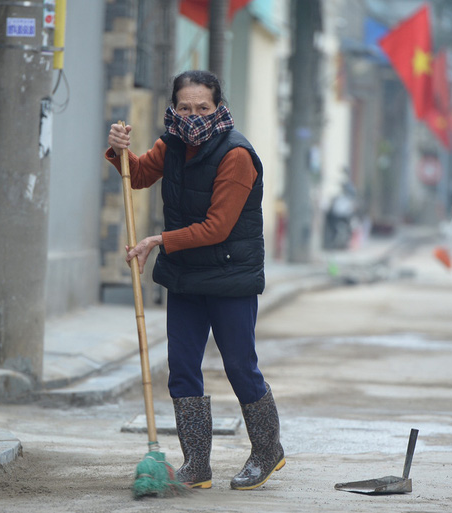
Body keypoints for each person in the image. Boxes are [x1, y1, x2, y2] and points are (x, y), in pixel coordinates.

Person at [105, 70, 285, 490]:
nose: (193, 115)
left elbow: (218, 226)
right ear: (174, 107)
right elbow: (140, 173)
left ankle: (266, 451)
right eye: (184, 107)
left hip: (230, 278)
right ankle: (197, 465)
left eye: (202, 107)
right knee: (183, 369)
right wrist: (118, 152)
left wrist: (157, 240)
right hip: (186, 277)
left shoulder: (236, 155)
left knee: (240, 365)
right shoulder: (170, 145)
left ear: (218, 107)